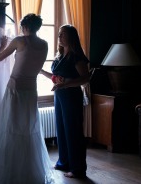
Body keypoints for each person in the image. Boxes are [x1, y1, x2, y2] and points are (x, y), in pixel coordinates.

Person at [0, 13, 55, 184]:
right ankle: (29, 171)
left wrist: (2, 44)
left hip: (15, 90)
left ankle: (11, 171)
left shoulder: (19, 41)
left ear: (25, 27)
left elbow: (0, 58)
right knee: (28, 130)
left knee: (10, 128)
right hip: (31, 91)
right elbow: (34, 67)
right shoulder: (44, 44)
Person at [40, 24, 90, 178]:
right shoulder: (59, 56)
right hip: (59, 96)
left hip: (71, 96)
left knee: (73, 131)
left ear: (71, 37)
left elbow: (85, 78)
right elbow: (56, 77)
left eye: (63, 34)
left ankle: (77, 168)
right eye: (59, 34)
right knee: (61, 129)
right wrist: (40, 71)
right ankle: (64, 163)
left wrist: (66, 83)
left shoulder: (76, 56)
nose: (59, 37)